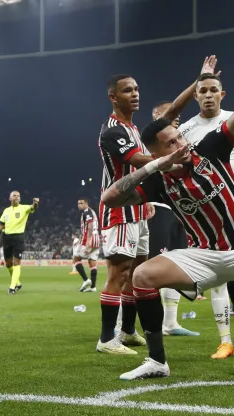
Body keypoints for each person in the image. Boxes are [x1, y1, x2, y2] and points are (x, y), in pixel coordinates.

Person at [101, 22, 234, 384]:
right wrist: (155, 167)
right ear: (156, 152)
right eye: (171, 142)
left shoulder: (210, 147)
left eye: (179, 136)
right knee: (143, 276)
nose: (180, 143)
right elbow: (110, 197)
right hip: (203, 254)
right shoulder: (159, 181)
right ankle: (157, 361)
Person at [178, 69, 234, 359]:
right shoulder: (186, 131)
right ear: (195, 96)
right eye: (202, 90)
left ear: (222, 94)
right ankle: (225, 340)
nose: (208, 95)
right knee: (215, 277)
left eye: (213, 90)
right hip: (207, 214)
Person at [96, 71, 168, 354]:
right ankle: (106, 339)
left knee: (137, 271)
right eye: (127, 90)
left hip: (137, 209)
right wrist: (171, 158)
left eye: (137, 89)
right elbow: (138, 160)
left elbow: (140, 170)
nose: (135, 94)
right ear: (113, 97)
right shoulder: (112, 130)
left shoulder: (135, 129)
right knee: (119, 273)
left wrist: (147, 197)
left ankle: (126, 331)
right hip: (119, 210)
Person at [147, 102, 199, 337]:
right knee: (150, 266)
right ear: (158, 116)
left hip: (181, 208)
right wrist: (146, 201)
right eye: (173, 114)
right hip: (159, 207)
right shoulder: (150, 142)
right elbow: (141, 170)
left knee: (178, 264)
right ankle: (124, 323)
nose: (177, 118)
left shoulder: (181, 139)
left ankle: (171, 323)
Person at [0, 191, 40, 294]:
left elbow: (33, 207)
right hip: (6, 237)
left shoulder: (24, 208)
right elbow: (1, 224)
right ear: (10, 198)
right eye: (14, 195)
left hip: (18, 237)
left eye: (18, 196)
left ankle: (12, 287)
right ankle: (18, 283)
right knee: (8, 263)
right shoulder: (6, 211)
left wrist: (35, 203)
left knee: (16, 262)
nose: (16, 197)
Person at [73, 198, 100, 292]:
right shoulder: (91, 211)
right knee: (92, 262)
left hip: (89, 239)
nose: (79, 205)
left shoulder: (87, 212)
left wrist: (88, 241)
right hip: (96, 239)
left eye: (81, 203)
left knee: (76, 259)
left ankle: (86, 280)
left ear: (86, 204)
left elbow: (90, 226)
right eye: (78, 203)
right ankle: (93, 287)